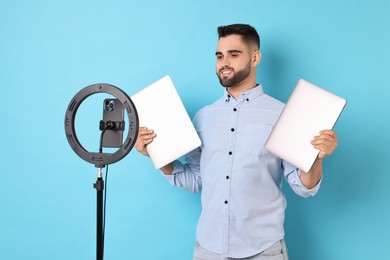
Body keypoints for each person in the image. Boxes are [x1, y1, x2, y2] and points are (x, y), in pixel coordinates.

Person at [135, 24, 338, 260]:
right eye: (219, 56)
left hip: (264, 250)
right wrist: (159, 156)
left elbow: (302, 187)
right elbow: (195, 179)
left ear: (255, 58)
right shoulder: (203, 117)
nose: (224, 62)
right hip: (208, 249)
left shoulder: (282, 114)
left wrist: (317, 158)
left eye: (234, 54)